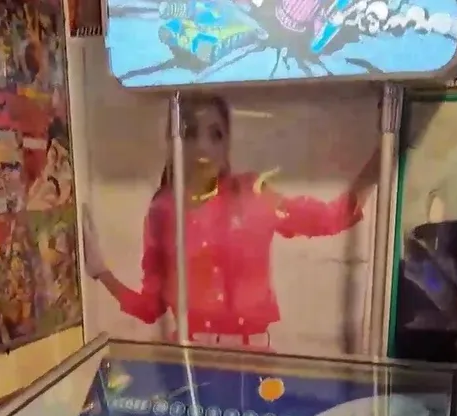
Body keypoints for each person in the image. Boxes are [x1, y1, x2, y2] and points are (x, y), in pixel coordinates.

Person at [82, 93, 378, 349]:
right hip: (188, 360)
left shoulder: (254, 194)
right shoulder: (163, 210)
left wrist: (384, 155)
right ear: (174, 143)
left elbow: (331, 218)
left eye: (216, 135)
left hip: (252, 363)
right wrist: (101, 272)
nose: (203, 146)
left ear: (227, 146)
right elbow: (151, 308)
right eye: (190, 133)